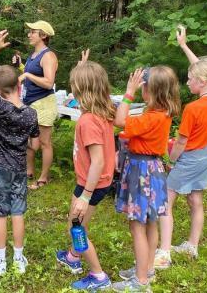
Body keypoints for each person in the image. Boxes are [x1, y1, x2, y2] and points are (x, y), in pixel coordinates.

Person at [154, 26, 207, 269]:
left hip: (186, 158)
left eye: (190, 79)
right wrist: (184, 46)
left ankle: (164, 253)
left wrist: (171, 160)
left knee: (166, 201)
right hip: (204, 156)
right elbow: (206, 70)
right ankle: (192, 245)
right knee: (195, 200)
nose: (187, 82)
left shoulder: (193, 108)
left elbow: (180, 142)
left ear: (202, 82)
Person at [112, 66, 181, 292]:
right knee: (150, 222)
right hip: (153, 169)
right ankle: (147, 268)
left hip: (141, 171)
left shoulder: (151, 118)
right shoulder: (162, 113)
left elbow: (120, 121)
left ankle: (140, 282)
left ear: (149, 91)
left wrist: (129, 92)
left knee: (137, 226)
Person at [0, 30, 40, 276]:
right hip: (18, 168)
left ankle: (0, 261)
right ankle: (19, 258)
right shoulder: (30, 114)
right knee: (17, 211)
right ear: (19, 84)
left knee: (0, 214)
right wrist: (23, 144)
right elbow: (35, 145)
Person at [56, 50, 115, 291]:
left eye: (73, 86)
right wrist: (81, 66)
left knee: (76, 227)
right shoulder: (102, 111)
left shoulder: (88, 120)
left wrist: (85, 196)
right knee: (75, 222)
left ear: (81, 89)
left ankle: (98, 275)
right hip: (97, 181)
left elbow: (98, 161)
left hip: (92, 184)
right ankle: (72, 256)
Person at [20, 20, 58, 190]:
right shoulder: (33, 55)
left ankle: (43, 178)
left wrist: (27, 74)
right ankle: (29, 172)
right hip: (29, 102)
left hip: (44, 104)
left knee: (44, 142)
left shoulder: (48, 56)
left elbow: (49, 83)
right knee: (29, 140)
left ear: (43, 35)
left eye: (33, 32)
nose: (29, 34)